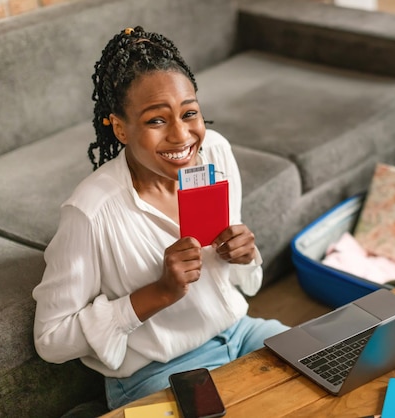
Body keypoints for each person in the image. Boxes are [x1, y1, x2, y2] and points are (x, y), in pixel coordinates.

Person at [32, 26, 288, 411]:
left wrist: (245, 253)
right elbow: (50, 339)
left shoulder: (215, 153)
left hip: (240, 332)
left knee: (329, 366)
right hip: (160, 371)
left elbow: (238, 281)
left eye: (190, 113)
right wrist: (158, 294)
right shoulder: (90, 213)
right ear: (120, 128)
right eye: (156, 121)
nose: (182, 136)